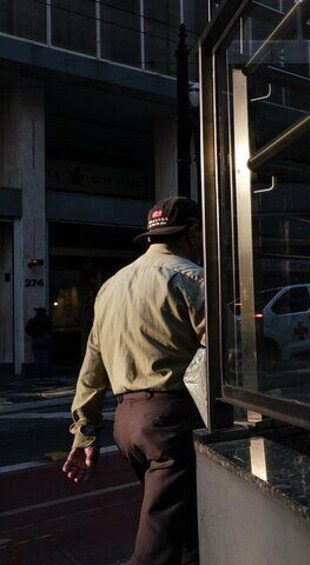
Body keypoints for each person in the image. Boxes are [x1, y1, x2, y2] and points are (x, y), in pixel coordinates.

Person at [63, 196, 205, 565]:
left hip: (126, 424)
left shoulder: (111, 286)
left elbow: (91, 366)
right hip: (172, 420)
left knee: (186, 530)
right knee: (157, 544)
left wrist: (85, 434)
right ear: (192, 233)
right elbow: (223, 356)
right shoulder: (193, 278)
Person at [25, 307, 52, 379]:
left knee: (37, 358)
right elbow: (50, 329)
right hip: (45, 339)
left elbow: (27, 330)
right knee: (45, 358)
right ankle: (45, 374)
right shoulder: (47, 320)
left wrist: (33, 334)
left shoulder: (33, 321)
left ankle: (36, 374)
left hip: (36, 339)